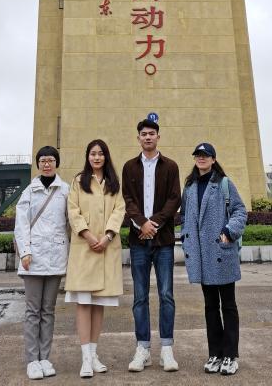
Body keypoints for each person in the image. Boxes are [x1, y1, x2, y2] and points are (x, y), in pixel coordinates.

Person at [181, 142, 247, 376]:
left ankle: (230, 355)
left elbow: (240, 210)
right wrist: (185, 238)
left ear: (213, 159)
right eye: (198, 155)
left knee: (228, 305)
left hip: (221, 251)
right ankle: (215, 354)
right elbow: (185, 216)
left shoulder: (224, 183)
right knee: (210, 307)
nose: (201, 158)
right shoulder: (189, 187)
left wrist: (229, 231)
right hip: (201, 255)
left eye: (205, 155)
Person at [122, 117, 181, 372]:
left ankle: (167, 349)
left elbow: (174, 198)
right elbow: (127, 199)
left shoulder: (171, 166)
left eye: (152, 133)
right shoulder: (129, 167)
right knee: (140, 297)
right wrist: (141, 224)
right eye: (144, 134)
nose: (148, 137)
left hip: (163, 240)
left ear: (158, 137)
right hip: (138, 242)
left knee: (166, 295)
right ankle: (143, 349)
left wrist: (153, 223)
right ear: (138, 138)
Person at [65, 139, 126, 378]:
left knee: (99, 304)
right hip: (85, 249)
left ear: (106, 156)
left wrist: (108, 236)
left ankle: (94, 354)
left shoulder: (114, 183)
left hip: (106, 248)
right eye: (93, 153)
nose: (97, 157)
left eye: (101, 153)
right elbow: (73, 211)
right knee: (83, 303)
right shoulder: (78, 181)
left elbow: (119, 210)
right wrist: (89, 236)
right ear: (87, 156)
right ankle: (85, 359)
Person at [14, 145, 70, 380]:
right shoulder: (29, 192)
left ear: (56, 163)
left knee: (48, 311)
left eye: (51, 160)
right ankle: (32, 360)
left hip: (56, 256)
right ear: (38, 164)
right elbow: (21, 224)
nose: (47, 164)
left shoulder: (65, 190)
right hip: (33, 258)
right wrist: (25, 252)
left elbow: (71, 221)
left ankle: (45, 357)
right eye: (43, 161)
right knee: (32, 311)